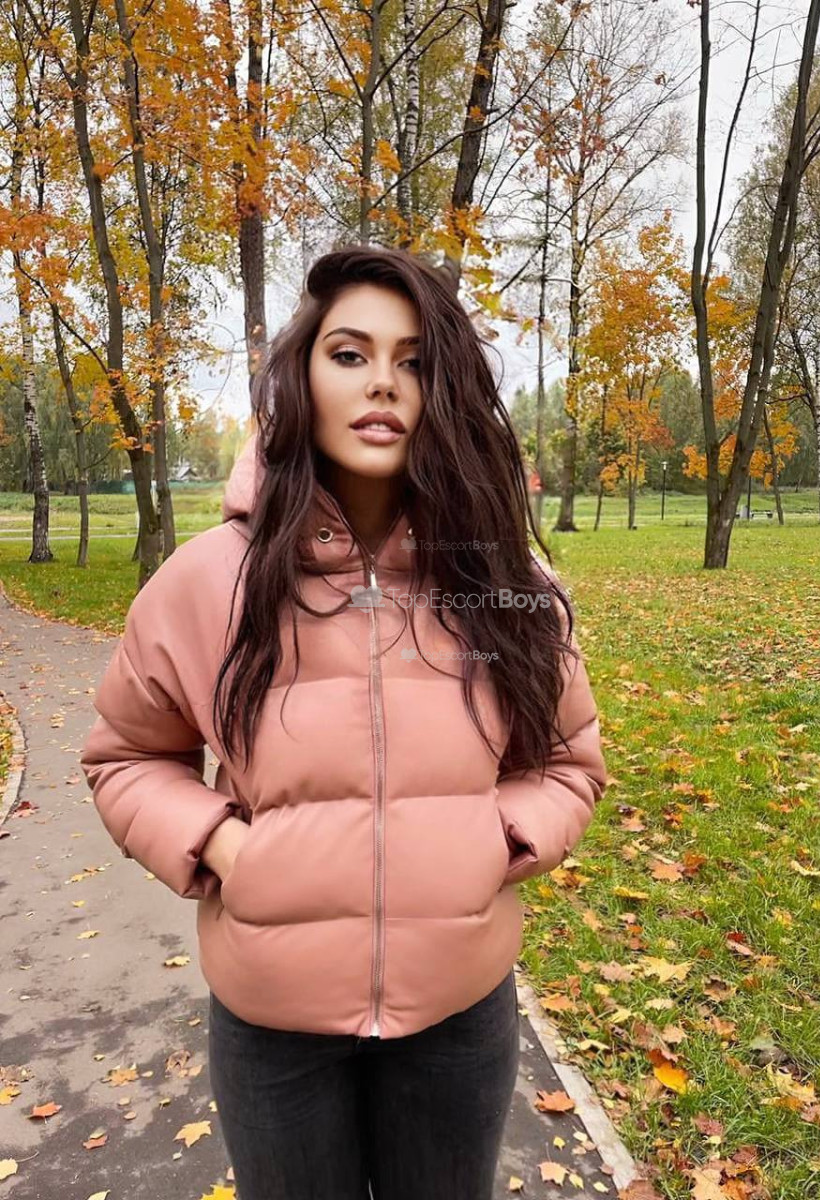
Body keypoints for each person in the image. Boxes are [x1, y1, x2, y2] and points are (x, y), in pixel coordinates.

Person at [79, 244, 609, 1200]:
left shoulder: (503, 582)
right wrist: (224, 848)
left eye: (415, 361)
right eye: (351, 354)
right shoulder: (206, 582)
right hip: (273, 1031)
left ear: (445, 391)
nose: (383, 384)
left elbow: (569, 761)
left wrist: (495, 840)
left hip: (457, 1019)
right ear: (302, 379)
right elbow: (127, 757)